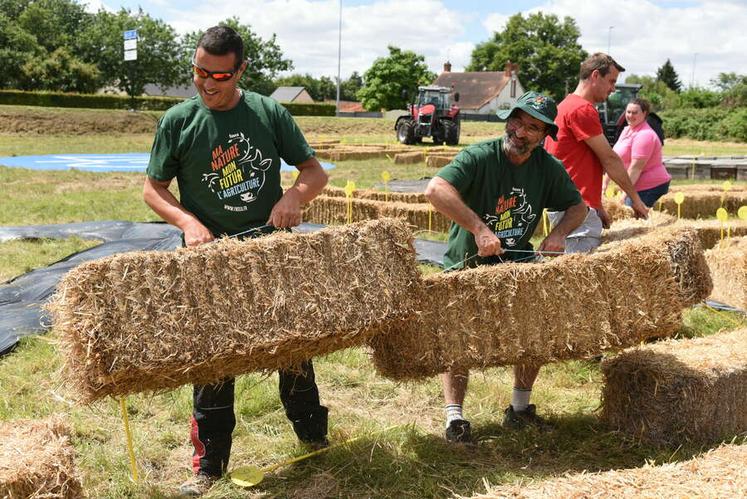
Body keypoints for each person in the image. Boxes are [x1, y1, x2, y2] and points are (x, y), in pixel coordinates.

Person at [142, 26, 329, 497]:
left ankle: (315, 442)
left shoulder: (268, 113)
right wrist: (187, 224)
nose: (207, 83)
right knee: (213, 362)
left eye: (218, 76)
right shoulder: (179, 121)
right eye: (199, 72)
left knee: (292, 350)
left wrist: (292, 199)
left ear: (240, 70)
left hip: (268, 252)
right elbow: (153, 189)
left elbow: (314, 173)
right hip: (210, 260)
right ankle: (209, 467)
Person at [425, 91, 588, 443]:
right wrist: (479, 229)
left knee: (535, 330)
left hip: (517, 263)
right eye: (518, 121)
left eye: (533, 128)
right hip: (467, 262)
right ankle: (455, 419)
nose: (521, 132)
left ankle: (519, 409)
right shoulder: (479, 157)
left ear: (544, 136)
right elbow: (436, 189)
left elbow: (579, 208)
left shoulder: (547, 167)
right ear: (508, 119)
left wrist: (558, 234)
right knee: (459, 339)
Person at [545, 53, 648, 253]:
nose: (613, 88)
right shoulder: (581, 110)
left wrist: (596, 206)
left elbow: (577, 164)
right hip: (575, 212)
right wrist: (635, 199)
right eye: (611, 81)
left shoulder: (565, 106)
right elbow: (609, 159)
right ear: (595, 76)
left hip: (571, 207)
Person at [610, 98, 671, 207]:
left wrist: (624, 195)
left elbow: (635, 168)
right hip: (633, 185)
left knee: (631, 215)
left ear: (644, 113)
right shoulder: (627, 130)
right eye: (628, 112)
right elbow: (613, 158)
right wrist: (604, 184)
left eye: (634, 113)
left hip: (649, 186)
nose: (630, 115)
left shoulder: (645, 135)